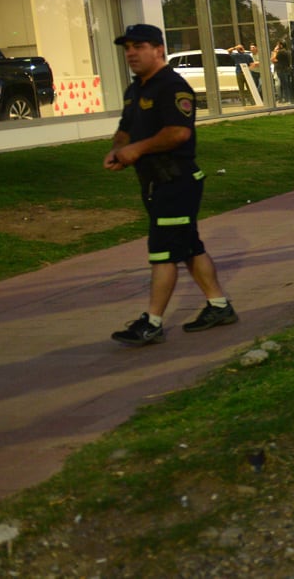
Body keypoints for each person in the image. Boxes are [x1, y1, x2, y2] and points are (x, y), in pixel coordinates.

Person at [105, 24, 239, 347]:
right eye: (127, 48)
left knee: (163, 252)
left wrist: (136, 149)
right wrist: (118, 149)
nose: (131, 53)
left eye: (139, 46)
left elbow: (179, 132)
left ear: (159, 49)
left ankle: (151, 323)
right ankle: (219, 306)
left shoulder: (172, 86)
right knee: (189, 246)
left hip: (176, 182)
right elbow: (126, 129)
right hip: (155, 183)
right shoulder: (135, 89)